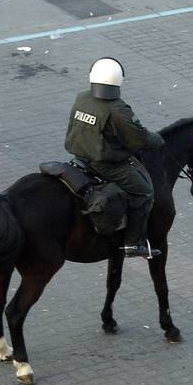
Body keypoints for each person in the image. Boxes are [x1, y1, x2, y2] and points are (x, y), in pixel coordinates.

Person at [64, 57, 165, 258]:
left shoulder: (82, 97)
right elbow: (138, 139)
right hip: (105, 164)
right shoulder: (118, 109)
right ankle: (133, 244)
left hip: (80, 154)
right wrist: (159, 140)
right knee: (144, 192)